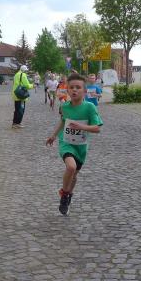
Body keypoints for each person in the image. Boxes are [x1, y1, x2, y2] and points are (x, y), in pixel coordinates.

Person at [46, 74, 103, 215]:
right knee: (71, 167)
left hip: (81, 146)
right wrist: (53, 135)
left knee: (74, 174)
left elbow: (97, 128)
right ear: (68, 90)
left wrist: (81, 127)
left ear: (85, 91)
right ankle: (64, 195)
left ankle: (68, 194)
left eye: (78, 87)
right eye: (71, 87)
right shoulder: (64, 106)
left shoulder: (89, 107)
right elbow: (63, 121)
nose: (74, 90)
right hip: (66, 142)